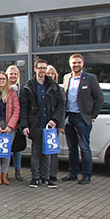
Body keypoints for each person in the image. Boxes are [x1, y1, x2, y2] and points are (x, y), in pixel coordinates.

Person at [20, 59, 65, 189]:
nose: (42, 71)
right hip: (35, 124)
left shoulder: (53, 86)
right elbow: (24, 108)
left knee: (47, 152)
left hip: (49, 124)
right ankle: (35, 178)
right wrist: (24, 126)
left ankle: (46, 177)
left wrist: (55, 120)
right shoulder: (29, 86)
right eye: (40, 68)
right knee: (35, 152)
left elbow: (61, 105)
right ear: (35, 69)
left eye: (44, 68)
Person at [62, 54, 104, 184]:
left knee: (84, 147)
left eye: (78, 62)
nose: (76, 65)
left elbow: (99, 98)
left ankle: (86, 175)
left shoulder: (90, 78)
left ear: (83, 63)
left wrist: (92, 116)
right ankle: (73, 172)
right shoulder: (66, 77)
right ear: (70, 64)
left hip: (82, 117)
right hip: (69, 117)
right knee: (71, 147)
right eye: (74, 63)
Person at [46, 65, 66, 181]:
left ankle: (52, 174)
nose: (50, 75)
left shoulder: (59, 89)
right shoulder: (41, 89)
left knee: (52, 150)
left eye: (52, 74)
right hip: (43, 124)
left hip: (54, 124)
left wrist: (60, 125)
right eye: (48, 73)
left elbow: (62, 108)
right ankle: (43, 172)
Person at [6, 65, 24, 181]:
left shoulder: (22, 89)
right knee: (5, 148)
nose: (13, 76)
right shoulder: (3, 89)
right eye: (11, 74)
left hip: (19, 123)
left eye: (15, 74)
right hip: (6, 124)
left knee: (18, 149)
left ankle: (18, 171)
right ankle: (5, 171)